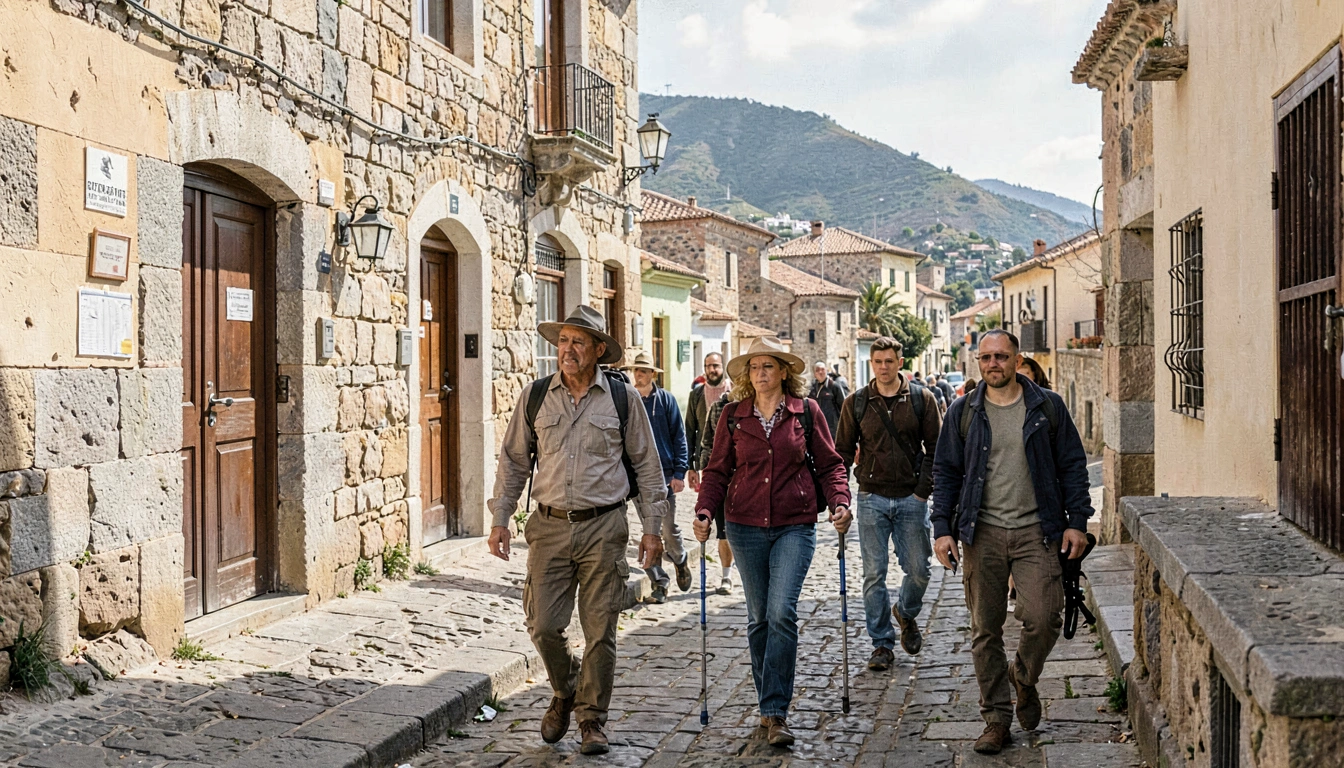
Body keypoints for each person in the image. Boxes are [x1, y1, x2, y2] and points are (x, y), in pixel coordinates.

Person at [488, 305, 670, 755]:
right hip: (547, 527)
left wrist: (652, 529)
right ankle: (566, 688)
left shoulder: (622, 399)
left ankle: (591, 719)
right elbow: (514, 462)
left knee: (600, 628)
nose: (567, 350)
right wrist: (500, 518)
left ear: (597, 351)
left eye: (578, 343)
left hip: (604, 527)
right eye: (563, 342)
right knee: (544, 625)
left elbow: (648, 466)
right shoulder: (534, 396)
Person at [930, 329, 1094, 755]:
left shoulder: (1047, 406)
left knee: (1044, 617)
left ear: (1017, 360)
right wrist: (942, 529)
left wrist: (1077, 521)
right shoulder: (964, 411)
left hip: (1038, 531)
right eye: (985, 358)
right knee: (985, 630)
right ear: (977, 361)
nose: (992, 365)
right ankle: (996, 720)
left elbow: (1074, 465)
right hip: (980, 534)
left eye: (1001, 357)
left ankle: (1022, 675)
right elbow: (945, 472)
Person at [694, 336, 852, 748]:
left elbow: (831, 465)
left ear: (784, 371)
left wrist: (839, 502)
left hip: (794, 525)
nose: (761, 374)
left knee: (782, 612)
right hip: (744, 527)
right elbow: (716, 472)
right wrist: (705, 511)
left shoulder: (806, 412)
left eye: (768, 366)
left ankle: (775, 710)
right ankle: (770, 704)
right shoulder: (733, 416)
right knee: (759, 617)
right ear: (748, 375)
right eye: (754, 367)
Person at [833, 336, 941, 672]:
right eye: (878, 361)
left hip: (911, 498)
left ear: (900, 362)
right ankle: (881, 643)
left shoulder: (922, 399)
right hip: (871, 498)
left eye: (889, 361)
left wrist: (922, 492)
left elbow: (937, 451)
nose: (883, 367)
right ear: (872, 364)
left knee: (920, 570)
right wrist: (841, 498)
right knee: (873, 575)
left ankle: (905, 613)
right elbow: (843, 453)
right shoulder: (857, 403)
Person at [622, 351, 693, 604]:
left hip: (664, 476)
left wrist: (679, 473)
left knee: (668, 528)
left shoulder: (665, 401)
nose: (638, 375)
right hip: (637, 478)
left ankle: (680, 559)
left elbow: (679, 438)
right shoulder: (628, 401)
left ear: (652, 374)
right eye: (636, 371)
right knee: (648, 532)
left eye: (643, 371)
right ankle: (659, 582)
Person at [685, 351, 736, 594]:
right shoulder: (697, 395)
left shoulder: (735, 395)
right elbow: (691, 431)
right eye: (708, 366)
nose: (711, 369)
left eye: (715, 365)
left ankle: (731, 572)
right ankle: (726, 576)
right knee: (720, 523)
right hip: (711, 469)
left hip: (737, 469)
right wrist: (691, 466)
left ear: (722, 367)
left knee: (734, 524)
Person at [809, 361, 846, 437]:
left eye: (822, 369)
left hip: (831, 429)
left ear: (826, 370)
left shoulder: (834, 386)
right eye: (817, 370)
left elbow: (843, 408)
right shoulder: (812, 389)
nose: (820, 372)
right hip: (816, 428)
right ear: (814, 374)